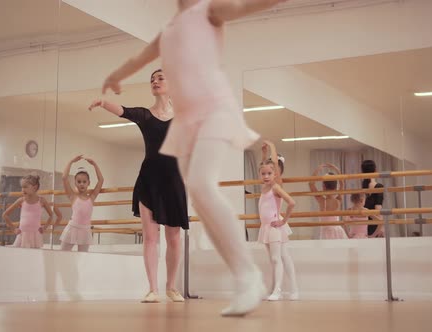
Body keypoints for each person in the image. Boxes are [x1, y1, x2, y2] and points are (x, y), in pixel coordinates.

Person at [99, 0, 288, 316]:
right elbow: (139, 57)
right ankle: (246, 277)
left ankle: (248, 277)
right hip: (187, 122)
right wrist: (116, 76)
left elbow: (244, 6)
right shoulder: (169, 29)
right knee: (200, 195)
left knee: (201, 185)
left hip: (213, 109)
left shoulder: (210, 9)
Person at [89, 69, 188, 303]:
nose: (155, 81)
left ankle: (171, 287)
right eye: (152, 79)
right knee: (150, 237)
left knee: (173, 239)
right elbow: (124, 111)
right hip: (149, 180)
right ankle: (152, 289)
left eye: (160, 78)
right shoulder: (145, 115)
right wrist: (104, 102)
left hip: (173, 180)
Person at [257, 159, 298, 301]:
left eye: (269, 173)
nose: (266, 176)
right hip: (266, 227)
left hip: (275, 227)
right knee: (275, 259)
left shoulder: (275, 187)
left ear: (275, 174)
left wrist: (284, 220)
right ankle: (276, 289)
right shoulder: (264, 188)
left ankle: (278, 290)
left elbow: (292, 202)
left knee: (277, 259)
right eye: (263, 173)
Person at [60, 156, 104, 252]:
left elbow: (101, 180)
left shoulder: (91, 198)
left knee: (83, 258)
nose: (82, 184)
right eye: (79, 182)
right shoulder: (73, 196)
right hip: (72, 228)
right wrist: (71, 161)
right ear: (75, 183)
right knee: (62, 253)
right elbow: (64, 178)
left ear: (88, 183)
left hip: (85, 230)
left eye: (84, 182)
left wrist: (94, 164)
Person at [3, 175, 53, 248]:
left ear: (35, 187)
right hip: (22, 234)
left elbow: (51, 215)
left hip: (36, 235)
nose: (22, 189)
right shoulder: (21, 200)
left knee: (34, 256)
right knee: (19, 256)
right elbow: (5, 215)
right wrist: (14, 229)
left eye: (25, 187)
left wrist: (44, 228)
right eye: (22, 187)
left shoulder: (42, 200)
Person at [310, 163, 348, 239]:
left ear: (323, 186)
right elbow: (342, 184)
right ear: (336, 187)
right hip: (338, 230)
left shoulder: (321, 200)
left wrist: (319, 168)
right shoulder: (338, 200)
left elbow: (311, 183)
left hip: (326, 231)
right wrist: (336, 168)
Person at [361, 160, 384, 237]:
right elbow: (378, 207)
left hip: (365, 221)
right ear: (375, 170)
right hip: (375, 222)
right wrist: (381, 226)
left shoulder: (364, 185)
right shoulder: (378, 186)